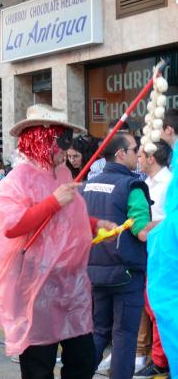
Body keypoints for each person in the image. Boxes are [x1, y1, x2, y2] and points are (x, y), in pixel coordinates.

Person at [0, 104, 115, 378]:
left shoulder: (62, 174)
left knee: (83, 360)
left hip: (71, 286)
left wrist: (98, 225)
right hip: (35, 288)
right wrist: (52, 202)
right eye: (61, 140)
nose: (67, 149)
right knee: (39, 365)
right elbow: (11, 226)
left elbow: (68, 221)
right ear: (42, 138)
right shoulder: (17, 179)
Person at [81, 133, 152, 379]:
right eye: (135, 149)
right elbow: (142, 232)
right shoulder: (132, 187)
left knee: (99, 331)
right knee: (124, 335)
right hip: (125, 274)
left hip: (94, 272)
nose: (138, 153)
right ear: (121, 153)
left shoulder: (88, 184)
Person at [133, 140, 172, 378]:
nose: (137, 159)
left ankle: (161, 361)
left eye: (140, 155)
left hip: (164, 255)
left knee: (159, 307)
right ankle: (155, 357)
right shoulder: (146, 183)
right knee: (149, 307)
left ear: (151, 158)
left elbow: (172, 220)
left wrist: (149, 227)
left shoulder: (169, 184)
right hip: (148, 253)